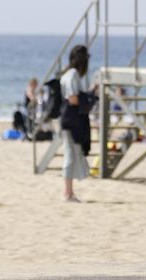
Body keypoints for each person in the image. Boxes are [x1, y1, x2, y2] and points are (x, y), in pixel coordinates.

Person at [59, 44, 93, 203]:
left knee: (71, 154)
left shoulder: (67, 73)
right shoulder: (73, 75)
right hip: (71, 119)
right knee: (70, 155)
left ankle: (69, 192)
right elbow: (73, 98)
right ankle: (67, 193)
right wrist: (89, 99)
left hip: (67, 118)